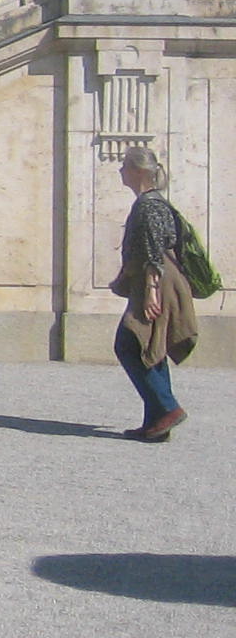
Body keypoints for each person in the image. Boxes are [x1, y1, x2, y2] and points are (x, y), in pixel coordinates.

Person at [111, 147, 197, 441]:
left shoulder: (147, 206)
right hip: (160, 278)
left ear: (138, 171)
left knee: (129, 343)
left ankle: (168, 408)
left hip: (157, 281)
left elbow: (152, 252)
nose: (120, 170)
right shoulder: (155, 202)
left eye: (124, 166)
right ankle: (155, 422)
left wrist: (151, 292)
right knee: (151, 346)